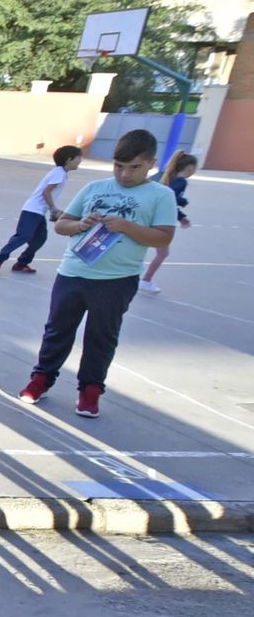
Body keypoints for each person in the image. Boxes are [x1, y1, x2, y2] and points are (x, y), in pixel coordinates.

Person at [18, 129, 176, 418]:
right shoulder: (94, 189)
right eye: (119, 166)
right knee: (57, 330)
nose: (125, 174)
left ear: (152, 163)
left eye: (134, 168)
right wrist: (81, 225)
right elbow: (62, 224)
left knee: (101, 337)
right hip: (74, 273)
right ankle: (40, 379)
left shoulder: (160, 195)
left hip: (116, 280)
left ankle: (90, 391)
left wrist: (127, 226)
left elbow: (163, 237)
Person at [0, 145, 83, 275]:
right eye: (78, 157)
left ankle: (21, 264)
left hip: (39, 212)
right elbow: (46, 192)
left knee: (40, 239)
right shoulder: (60, 173)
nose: (80, 160)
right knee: (24, 235)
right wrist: (54, 209)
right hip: (32, 210)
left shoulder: (60, 172)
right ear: (69, 159)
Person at [140, 151, 197, 295]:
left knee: (146, 248)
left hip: (150, 217)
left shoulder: (167, 176)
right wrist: (182, 209)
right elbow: (170, 200)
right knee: (162, 253)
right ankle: (145, 280)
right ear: (190, 168)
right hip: (160, 221)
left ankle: (144, 279)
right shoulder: (181, 182)